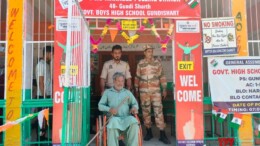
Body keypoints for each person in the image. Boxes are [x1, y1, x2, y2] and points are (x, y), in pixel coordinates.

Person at [134, 44, 171, 144]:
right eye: (148, 51)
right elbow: (137, 77)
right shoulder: (140, 63)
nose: (150, 53)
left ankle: (162, 134)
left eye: (151, 51)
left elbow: (162, 76)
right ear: (144, 52)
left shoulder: (157, 63)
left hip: (156, 92)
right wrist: (136, 89)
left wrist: (164, 88)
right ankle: (149, 132)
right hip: (143, 92)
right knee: (146, 112)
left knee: (158, 111)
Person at [98, 72, 139, 146]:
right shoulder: (107, 92)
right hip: (113, 118)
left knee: (134, 121)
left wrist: (134, 108)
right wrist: (109, 109)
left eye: (122, 81)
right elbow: (100, 106)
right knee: (113, 122)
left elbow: (135, 104)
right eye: (118, 81)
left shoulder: (127, 93)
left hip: (126, 117)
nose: (120, 83)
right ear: (114, 81)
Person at [35, 45, 53, 141]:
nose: (52, 56)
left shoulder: (46, 64)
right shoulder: (41, 65)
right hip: (42, 96)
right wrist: (45, 96)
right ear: (47, 53)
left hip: (46, 95)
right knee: (41, 118)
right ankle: (40, 139)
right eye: (51, 54)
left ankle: (43, 137)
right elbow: (41, 81)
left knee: (45, 118)